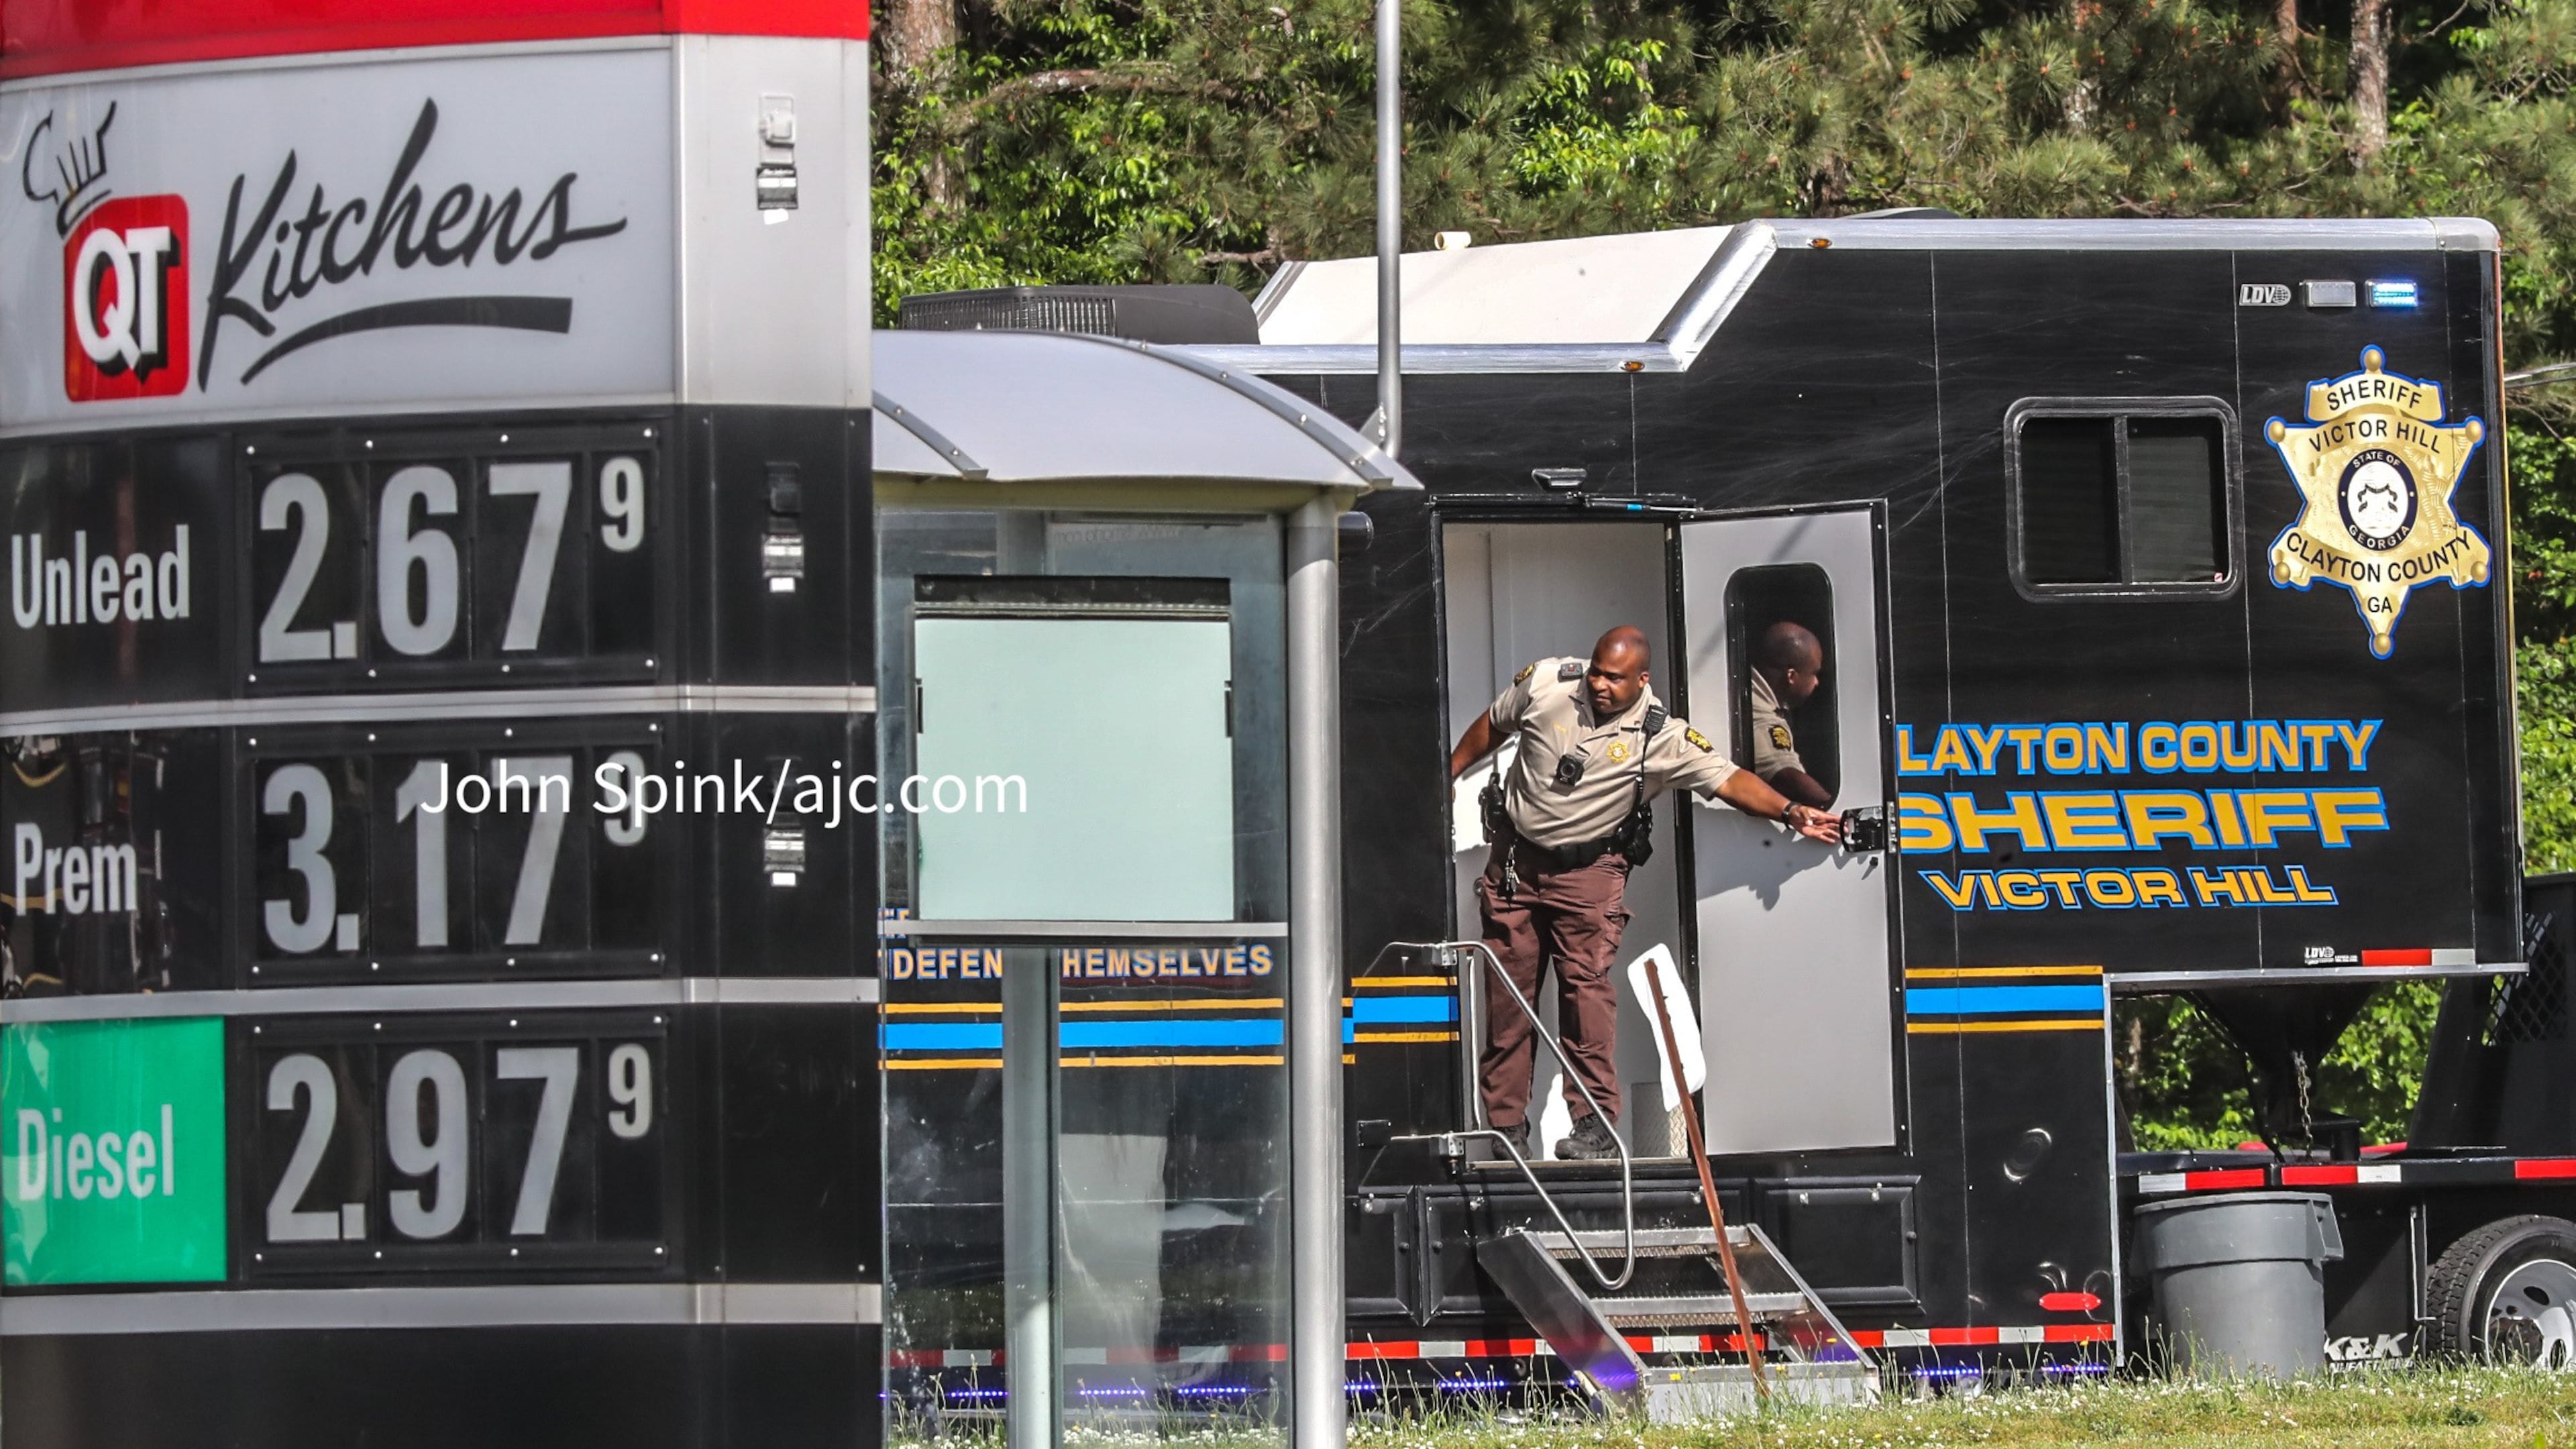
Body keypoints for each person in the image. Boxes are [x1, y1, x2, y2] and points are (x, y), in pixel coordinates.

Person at [1449, 626, 1840, 1161]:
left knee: (1585, 1001)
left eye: (1614, 678)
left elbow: (1729, 780)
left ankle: (1593, 1129)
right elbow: (1493, 725)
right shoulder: (1546, 684)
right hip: (1517, 865)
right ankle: (1505, 1130)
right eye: (1596, 671)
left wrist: (1792, 811)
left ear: (1642, 680)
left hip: (1588, 876)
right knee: (1509, 1004)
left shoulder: (1661, 736)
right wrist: (1444, 775)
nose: (1600, 684)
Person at [1749, 621, 1835, 810]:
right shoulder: (1760, 711)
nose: (1817, 682)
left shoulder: (1752, 692)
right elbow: (1785, 776)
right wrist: (1834, 808)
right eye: (1814, 674)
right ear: (1791, 676)